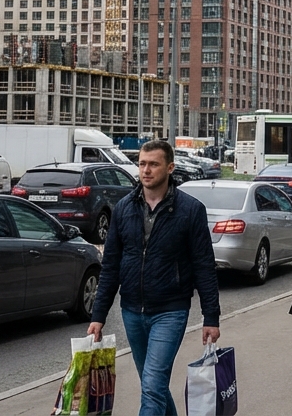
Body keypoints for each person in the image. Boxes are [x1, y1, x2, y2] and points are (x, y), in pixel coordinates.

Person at [88, 140, 220, 416]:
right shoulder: (124, 209)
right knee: (155, 386)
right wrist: (98, 316)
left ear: (170, 168)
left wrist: (211, 317)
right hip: (132, 311)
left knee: (150, 385)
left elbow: (204, 266)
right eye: (142, 164)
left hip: (170, 310)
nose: (146, 170)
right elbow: (110, 265)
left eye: (153, 164)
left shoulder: (190, 210)